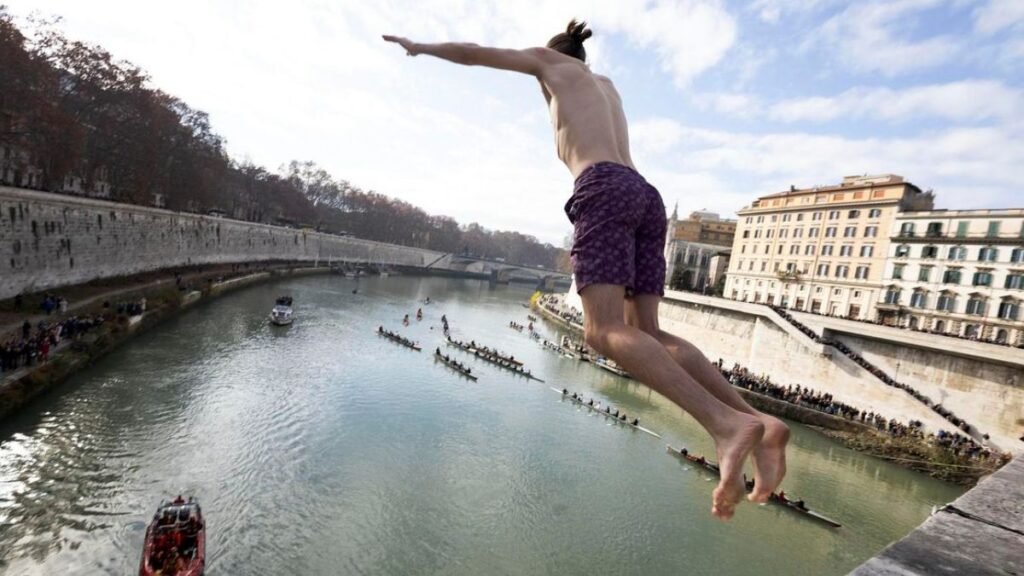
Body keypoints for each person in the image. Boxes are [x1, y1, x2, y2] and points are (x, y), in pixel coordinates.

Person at [384, 19, 789, 520]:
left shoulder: (549, 63)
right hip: (646, 195)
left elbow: (471, 53)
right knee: (650, 334)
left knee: (602, 331)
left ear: (552, 59)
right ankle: (759, 422)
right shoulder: (607, 87)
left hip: (603, 187)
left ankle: (726, 425)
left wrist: (418, 47)